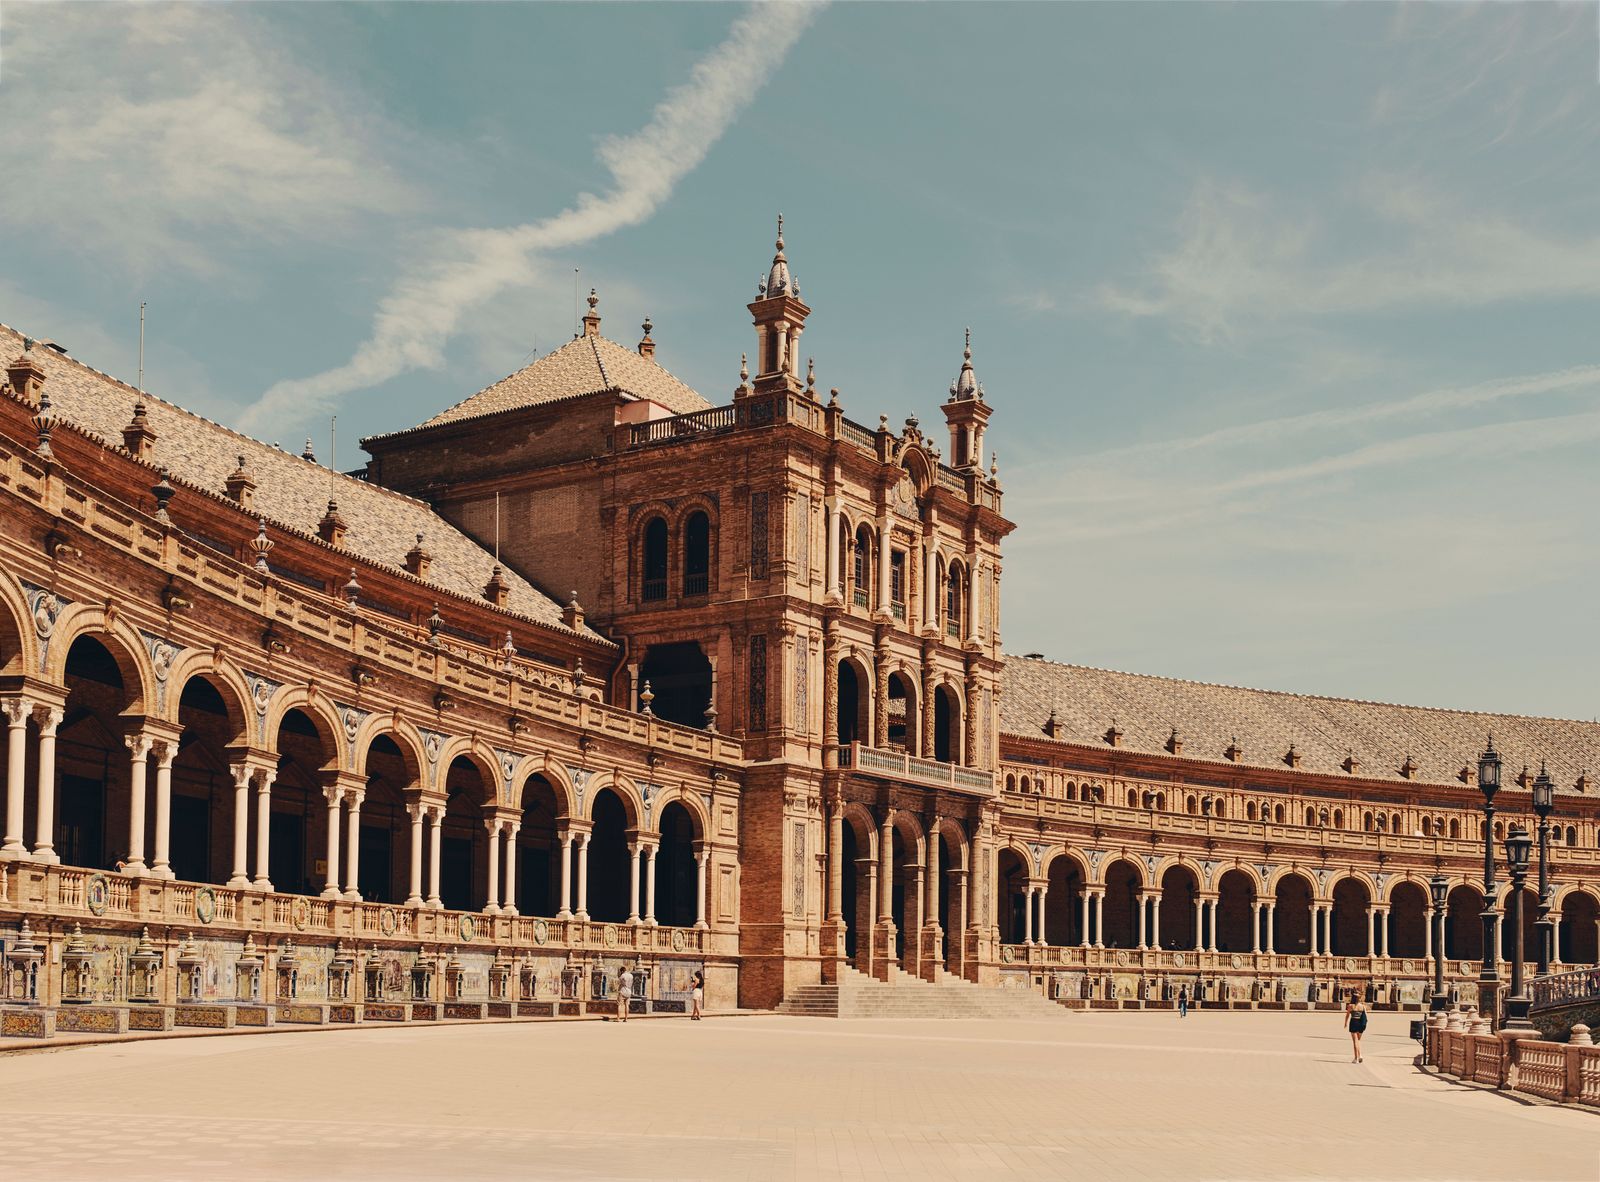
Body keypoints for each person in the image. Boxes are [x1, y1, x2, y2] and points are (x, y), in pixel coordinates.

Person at [1344, 988, 1368, 1062]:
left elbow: (1347, 1015)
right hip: (1361, 1024)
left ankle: (1356, 1058)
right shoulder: (1363, 1006)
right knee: (1358, 1041)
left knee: (1355, 1041)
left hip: (1354, 1023)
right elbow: (1366, 1016)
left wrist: (1345, 1023)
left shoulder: (1350, 1006)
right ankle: (1360, 1055)